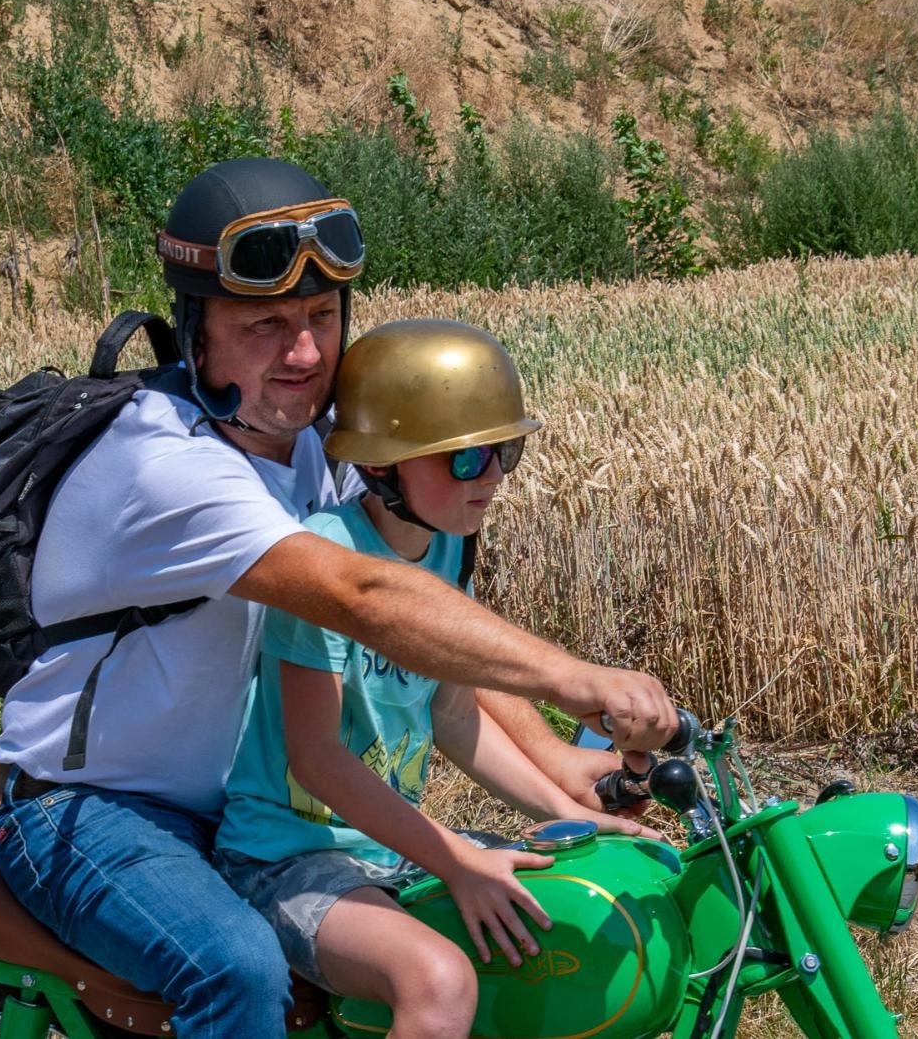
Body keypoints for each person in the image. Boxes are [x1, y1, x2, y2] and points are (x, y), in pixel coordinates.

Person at [0, 157, 679, 1039]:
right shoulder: (165, 465)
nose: (305, 353)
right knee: (235, 968)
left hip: (243, 812)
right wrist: (577, 680)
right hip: (88, 808)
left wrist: (556, 768)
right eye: (266, 323)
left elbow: (428, 635)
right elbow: (364, 595)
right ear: (197, 332)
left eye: (320, 317)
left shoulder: (314, 446)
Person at [217, 318, 660, 1039]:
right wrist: (455, 860)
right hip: (286, 860)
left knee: (572, 908)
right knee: (440, 982)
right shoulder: (328, 561)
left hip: (384, 851)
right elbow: (317, 760)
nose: (489, 476)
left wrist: (575, 818)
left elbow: (454, 715)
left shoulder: (446, 549)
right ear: (385, 464)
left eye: (504, 452)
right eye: (463, 459)